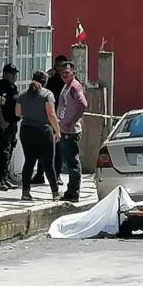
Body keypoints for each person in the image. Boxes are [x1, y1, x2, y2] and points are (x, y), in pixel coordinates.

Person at [16, 71, 61, 201]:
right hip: (43, 131)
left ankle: (25, 192)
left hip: (26, 130)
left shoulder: (23, 94)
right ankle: (55, 192)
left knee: (29, 161)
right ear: (45, 81)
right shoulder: (47, 94)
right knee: (48, 163)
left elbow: (18, 113)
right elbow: (51, 114)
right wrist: (57, 131)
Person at [33, 55, 68, 186]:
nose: (59, 69)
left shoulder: (66, 79)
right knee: (42, 147)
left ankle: (57, 175)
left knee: (57, 149)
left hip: (59, 117)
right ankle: (40, 174)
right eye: (57, 66)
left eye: (62, 66)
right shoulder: (51, 78)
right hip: (45, 116)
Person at [57, 62, 88, 203]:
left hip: (71, 131)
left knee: (73, 162)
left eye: (67, 72)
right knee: (68, 162)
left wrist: (72, 121)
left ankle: (73, 192)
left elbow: (83, 104)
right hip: (64, 129)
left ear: (73, 73)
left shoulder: (75, 87)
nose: (64, 74)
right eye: (62, 72)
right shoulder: (66, 86)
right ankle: (71, 190)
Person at [0, 64, 21, 191]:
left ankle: (5, 178)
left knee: (9, 151)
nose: (14, 76)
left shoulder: (12, 87)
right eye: (11, 73)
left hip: (12, 124)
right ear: (4, 74)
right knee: (3, 151)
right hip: (4, 124)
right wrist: (2, 122)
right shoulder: (0, 88)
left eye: (15, 73)